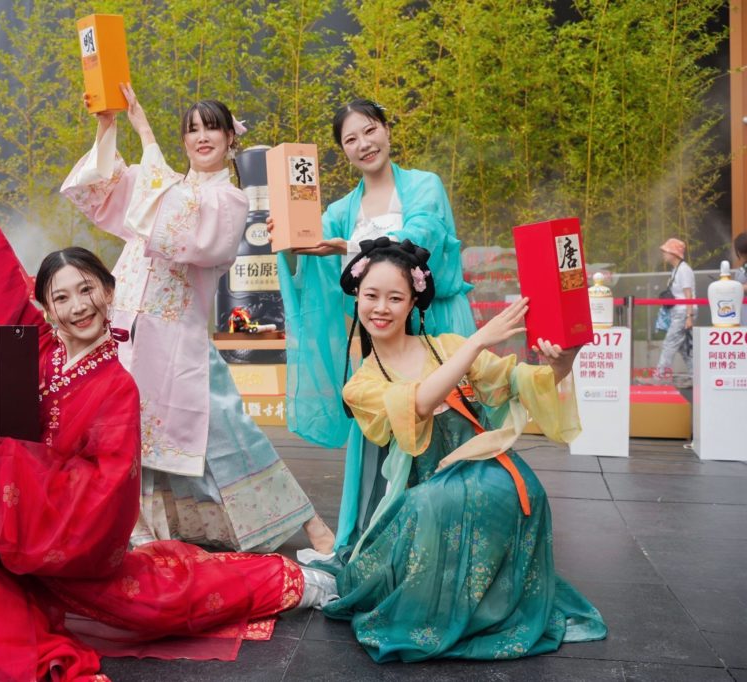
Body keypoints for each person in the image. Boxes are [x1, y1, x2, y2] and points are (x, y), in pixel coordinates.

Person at [0, 170, 336, 681]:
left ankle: (289, 582)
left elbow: (108, 491)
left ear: (109, 291)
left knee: (157, 600)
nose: (78, 306)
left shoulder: (116, 387)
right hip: (25, 530)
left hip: (73, 539)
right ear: (46, 309)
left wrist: (17, 477)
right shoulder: (39, 354)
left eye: (86, 289)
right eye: (61, 298)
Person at [61, 84, 334, 553]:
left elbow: (184, 229)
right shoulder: (164, 186)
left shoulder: (228, 200)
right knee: (130, 436)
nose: (202, 137)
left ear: (231, 139)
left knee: (229, 430)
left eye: (212, 128)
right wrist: (108, 128)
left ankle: (310, 522)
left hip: (178, 342)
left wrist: (145, 132)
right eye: (192, 130)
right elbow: (101, 189)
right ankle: (145, 530)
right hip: (127, 336)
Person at [317, 237, 606, 662]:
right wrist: (477, 343)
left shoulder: (447, 346)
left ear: (413, 302)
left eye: (395, 298)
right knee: (428, 508)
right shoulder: (361, 383)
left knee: (524, 494)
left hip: (486, 466)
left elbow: (515, 381)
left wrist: (563, 361)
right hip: (424, 487)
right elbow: (418, 403)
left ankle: (489, 607)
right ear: (356, 297)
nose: (381, 308)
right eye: (371, 295)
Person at [271, 99, 476, 550]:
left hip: (435, 323)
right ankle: (385, 539)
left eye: (369, 131)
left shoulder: (424, 185)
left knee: (446, 427)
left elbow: (419, 240)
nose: (364, 144)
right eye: (351, 139)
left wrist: (346, 246)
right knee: (389, 431)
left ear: (386, 129)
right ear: (342, 150)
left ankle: (453, 541)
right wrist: (287, 237)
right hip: (383, 335)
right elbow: (312, 258)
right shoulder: (342, 209)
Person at [655, 238, 694, 385]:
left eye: (666, 251)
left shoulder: (683, 270)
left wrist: (689, 316)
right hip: (680, 311)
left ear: (674, 253)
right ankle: (695, 376)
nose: (664, 254)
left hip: (683, 312)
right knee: (684, 348)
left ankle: (660, 376)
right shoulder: (677, 270)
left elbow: (688, 294)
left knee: (669, 343)